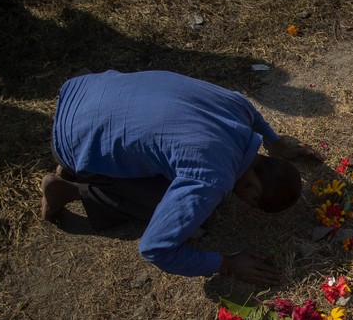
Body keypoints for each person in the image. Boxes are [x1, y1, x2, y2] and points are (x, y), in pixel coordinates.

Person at [40, 70, 321, 285]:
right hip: (70, 138)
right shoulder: (212, 177)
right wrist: (225, 264)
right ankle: (72, 188)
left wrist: (274, 140)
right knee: (165, 205)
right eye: (250, 203)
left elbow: (246, 105)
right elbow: (156, 248)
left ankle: (91, 162)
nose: (243, 203)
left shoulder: (238, 111)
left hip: (84, 87)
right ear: (254, 192)